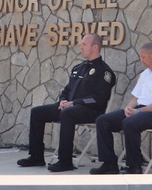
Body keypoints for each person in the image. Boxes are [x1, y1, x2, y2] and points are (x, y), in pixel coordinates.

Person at [16, 33, 115, 171]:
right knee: (37, 112)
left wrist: (74, 103)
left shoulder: (104, 72)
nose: (81, 47)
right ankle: (36, 156)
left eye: (84, 44)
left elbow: (98, 99)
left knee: (68, 113)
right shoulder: (78, 68)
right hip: (70, 107)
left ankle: (65, 160)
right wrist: (63, 100)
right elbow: (67, 90)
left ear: (95, 47)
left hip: (91, 111)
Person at [91, 42, 152, 175]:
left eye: (143, 57)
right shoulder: (145, 74)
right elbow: (136, 98)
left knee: (130, 122)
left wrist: (138, 111)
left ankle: (134, 166)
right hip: (139, 110)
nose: (141, 59)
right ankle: (109, 163)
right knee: (103, 120)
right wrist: (129, 108)